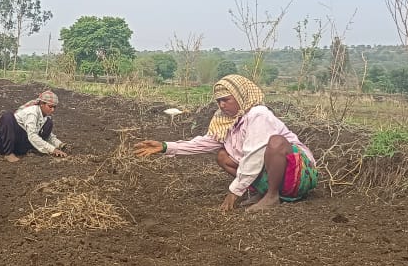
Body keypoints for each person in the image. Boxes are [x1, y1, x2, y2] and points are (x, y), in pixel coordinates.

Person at [134, 74, 316, 212]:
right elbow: (206, 143)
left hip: (298, 175)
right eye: (218, 101)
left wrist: (235, 191)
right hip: (274, 173)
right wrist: (166, 147)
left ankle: (272, 195)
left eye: (226, 99)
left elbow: (253, 155)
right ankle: (262, 192)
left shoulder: (259, 114)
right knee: (222, 155)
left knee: (276, 142)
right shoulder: (226, 119)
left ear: (240, 96)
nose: (221, 105)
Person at [0, 90, 69, 162]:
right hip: (5, 145)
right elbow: (32, 135)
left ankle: (30, 149)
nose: (52, 110)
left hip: (21, 145)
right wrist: (53, 150)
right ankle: (8, 154)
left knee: (48, 123)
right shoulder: (32, 113)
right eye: (50, 106)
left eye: (54, 107)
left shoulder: (45, 117)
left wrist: (59, 144)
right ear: (41, 104)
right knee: (7, 117)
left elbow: (48, 135)